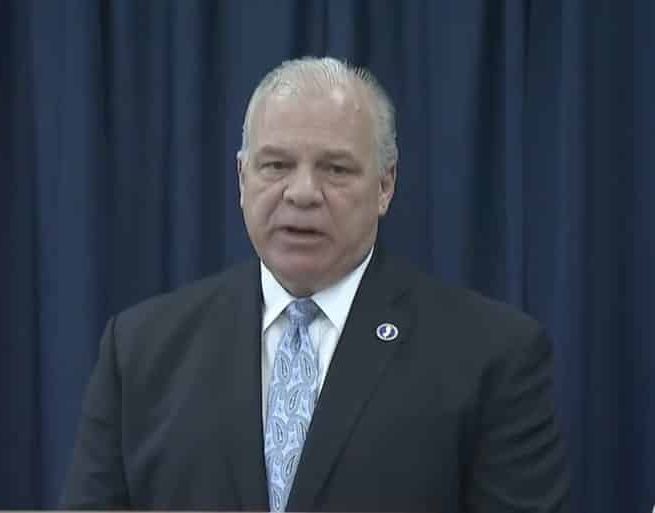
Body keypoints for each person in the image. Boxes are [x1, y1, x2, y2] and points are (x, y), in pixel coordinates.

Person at [62, 57, 570, 512]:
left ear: (385, 185)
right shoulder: (140, 350)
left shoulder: (490, 356)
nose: (302, 193)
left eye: (336, 168)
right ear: (242, 178)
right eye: (276, 166)